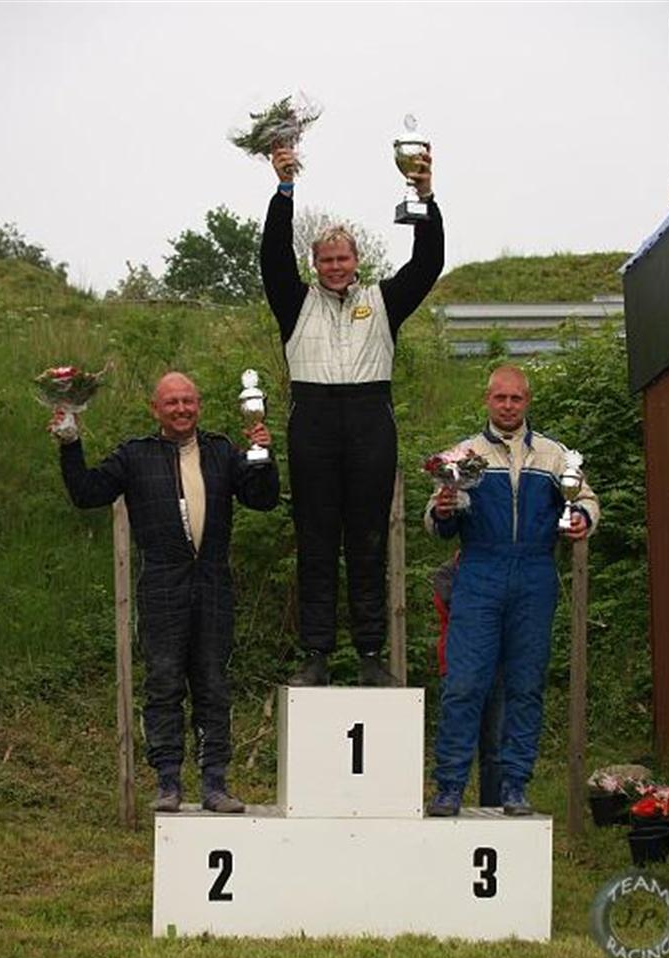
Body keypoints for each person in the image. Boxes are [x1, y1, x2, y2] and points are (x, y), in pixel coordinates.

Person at [50, 372, 279, 813]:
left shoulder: (221, 451)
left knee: (213, 684)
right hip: (160, 585)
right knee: (164, 684)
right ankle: (168, 782)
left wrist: (263, 455)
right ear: (155, 410)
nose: (181, 409)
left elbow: (263, 499)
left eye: (188, 401)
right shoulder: (135, 455)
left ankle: (215, 784)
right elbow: (86, 493)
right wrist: (70, 443)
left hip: (213, 582)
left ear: (199, 406)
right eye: (171, 402)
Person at [260, 145, 444, 687]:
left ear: (356, 260)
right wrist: (284, 190)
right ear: (314, 265)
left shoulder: (385, 301)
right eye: (326, 260)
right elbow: (271, 255)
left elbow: (428, 263)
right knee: (316, 541)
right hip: (313, 421)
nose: (335, 268)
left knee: (367, 542)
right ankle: (316, 655)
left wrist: (426, 198)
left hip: (369, 422)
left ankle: (369, 655)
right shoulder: (294, 302)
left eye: (343, 259)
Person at [424, 365, 599, 816]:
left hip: (534, 573)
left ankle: (514, 787)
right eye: (499, 398)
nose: (507, 406)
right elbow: (435, 520)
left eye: (515, 399)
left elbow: (586, 499)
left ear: (527, 400)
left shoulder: (555, 456)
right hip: (479, 569)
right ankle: (449, 788)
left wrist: (581, 517)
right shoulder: (463, 455)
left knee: (525, 686)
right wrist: (443, 508)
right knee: (464, 684)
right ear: (487, 400)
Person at [432, 559, 504, 808]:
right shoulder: (447, 573)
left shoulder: (506, 570)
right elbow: (462, 610)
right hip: (458, 666)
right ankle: (448, 796)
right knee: (455, 738)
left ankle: (494, 806)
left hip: (499, 666)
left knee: (495, 746)